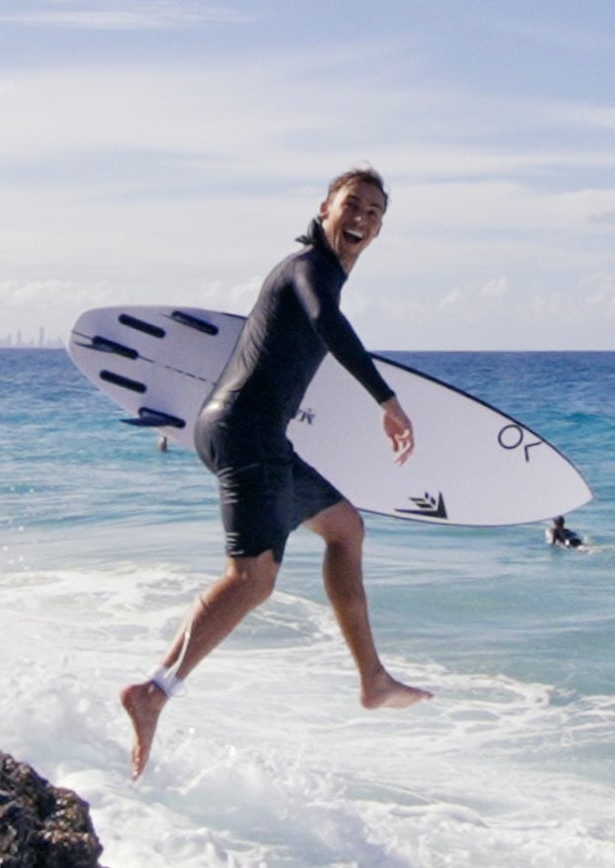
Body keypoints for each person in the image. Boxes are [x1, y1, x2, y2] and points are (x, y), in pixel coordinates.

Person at [120, 165, 429, 780]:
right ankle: (153, 692)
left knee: (345, 529)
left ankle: (372, 679)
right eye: (352, 204)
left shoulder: (317, 274)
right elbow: (328, 324)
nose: (362, 218)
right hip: (247, 433)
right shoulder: (309, 269)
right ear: (325, 208)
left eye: (374, 212)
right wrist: (386, 400)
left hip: (259, 437)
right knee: (251, 578)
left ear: (379, 229)